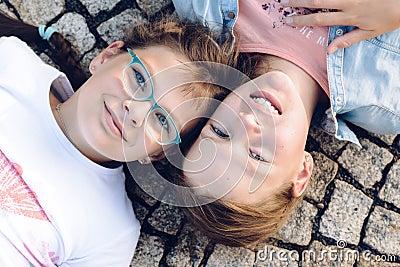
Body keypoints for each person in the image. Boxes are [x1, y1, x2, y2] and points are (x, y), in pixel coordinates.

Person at [0, 11, 241, 266]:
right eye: (139, 78)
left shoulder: (112, 234)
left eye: (161, 120)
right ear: (106, 56)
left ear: (157, 153)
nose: (135, 111)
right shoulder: (12, 62)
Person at [165, 0, 400, 248]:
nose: (245, 122)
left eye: (220, 132)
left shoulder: (203, 9)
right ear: (301, 173)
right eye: (257, 155)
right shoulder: (388, 99)